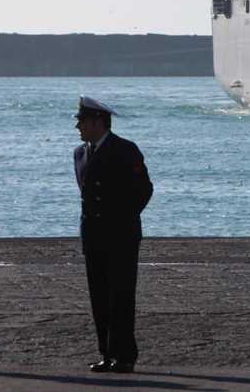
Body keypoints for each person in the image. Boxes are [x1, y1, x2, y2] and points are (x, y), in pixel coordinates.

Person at [73, 96, 153, 373]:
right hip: (93, 236)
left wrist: (122, 220)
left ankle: (125, 355)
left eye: (82, 121)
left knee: (121, 296)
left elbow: (143, 191)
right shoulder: (80, 153)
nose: (78, 127)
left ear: (98, 121)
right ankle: (106, 353)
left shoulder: (125, 150)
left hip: (120, 236)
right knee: (99, 297)